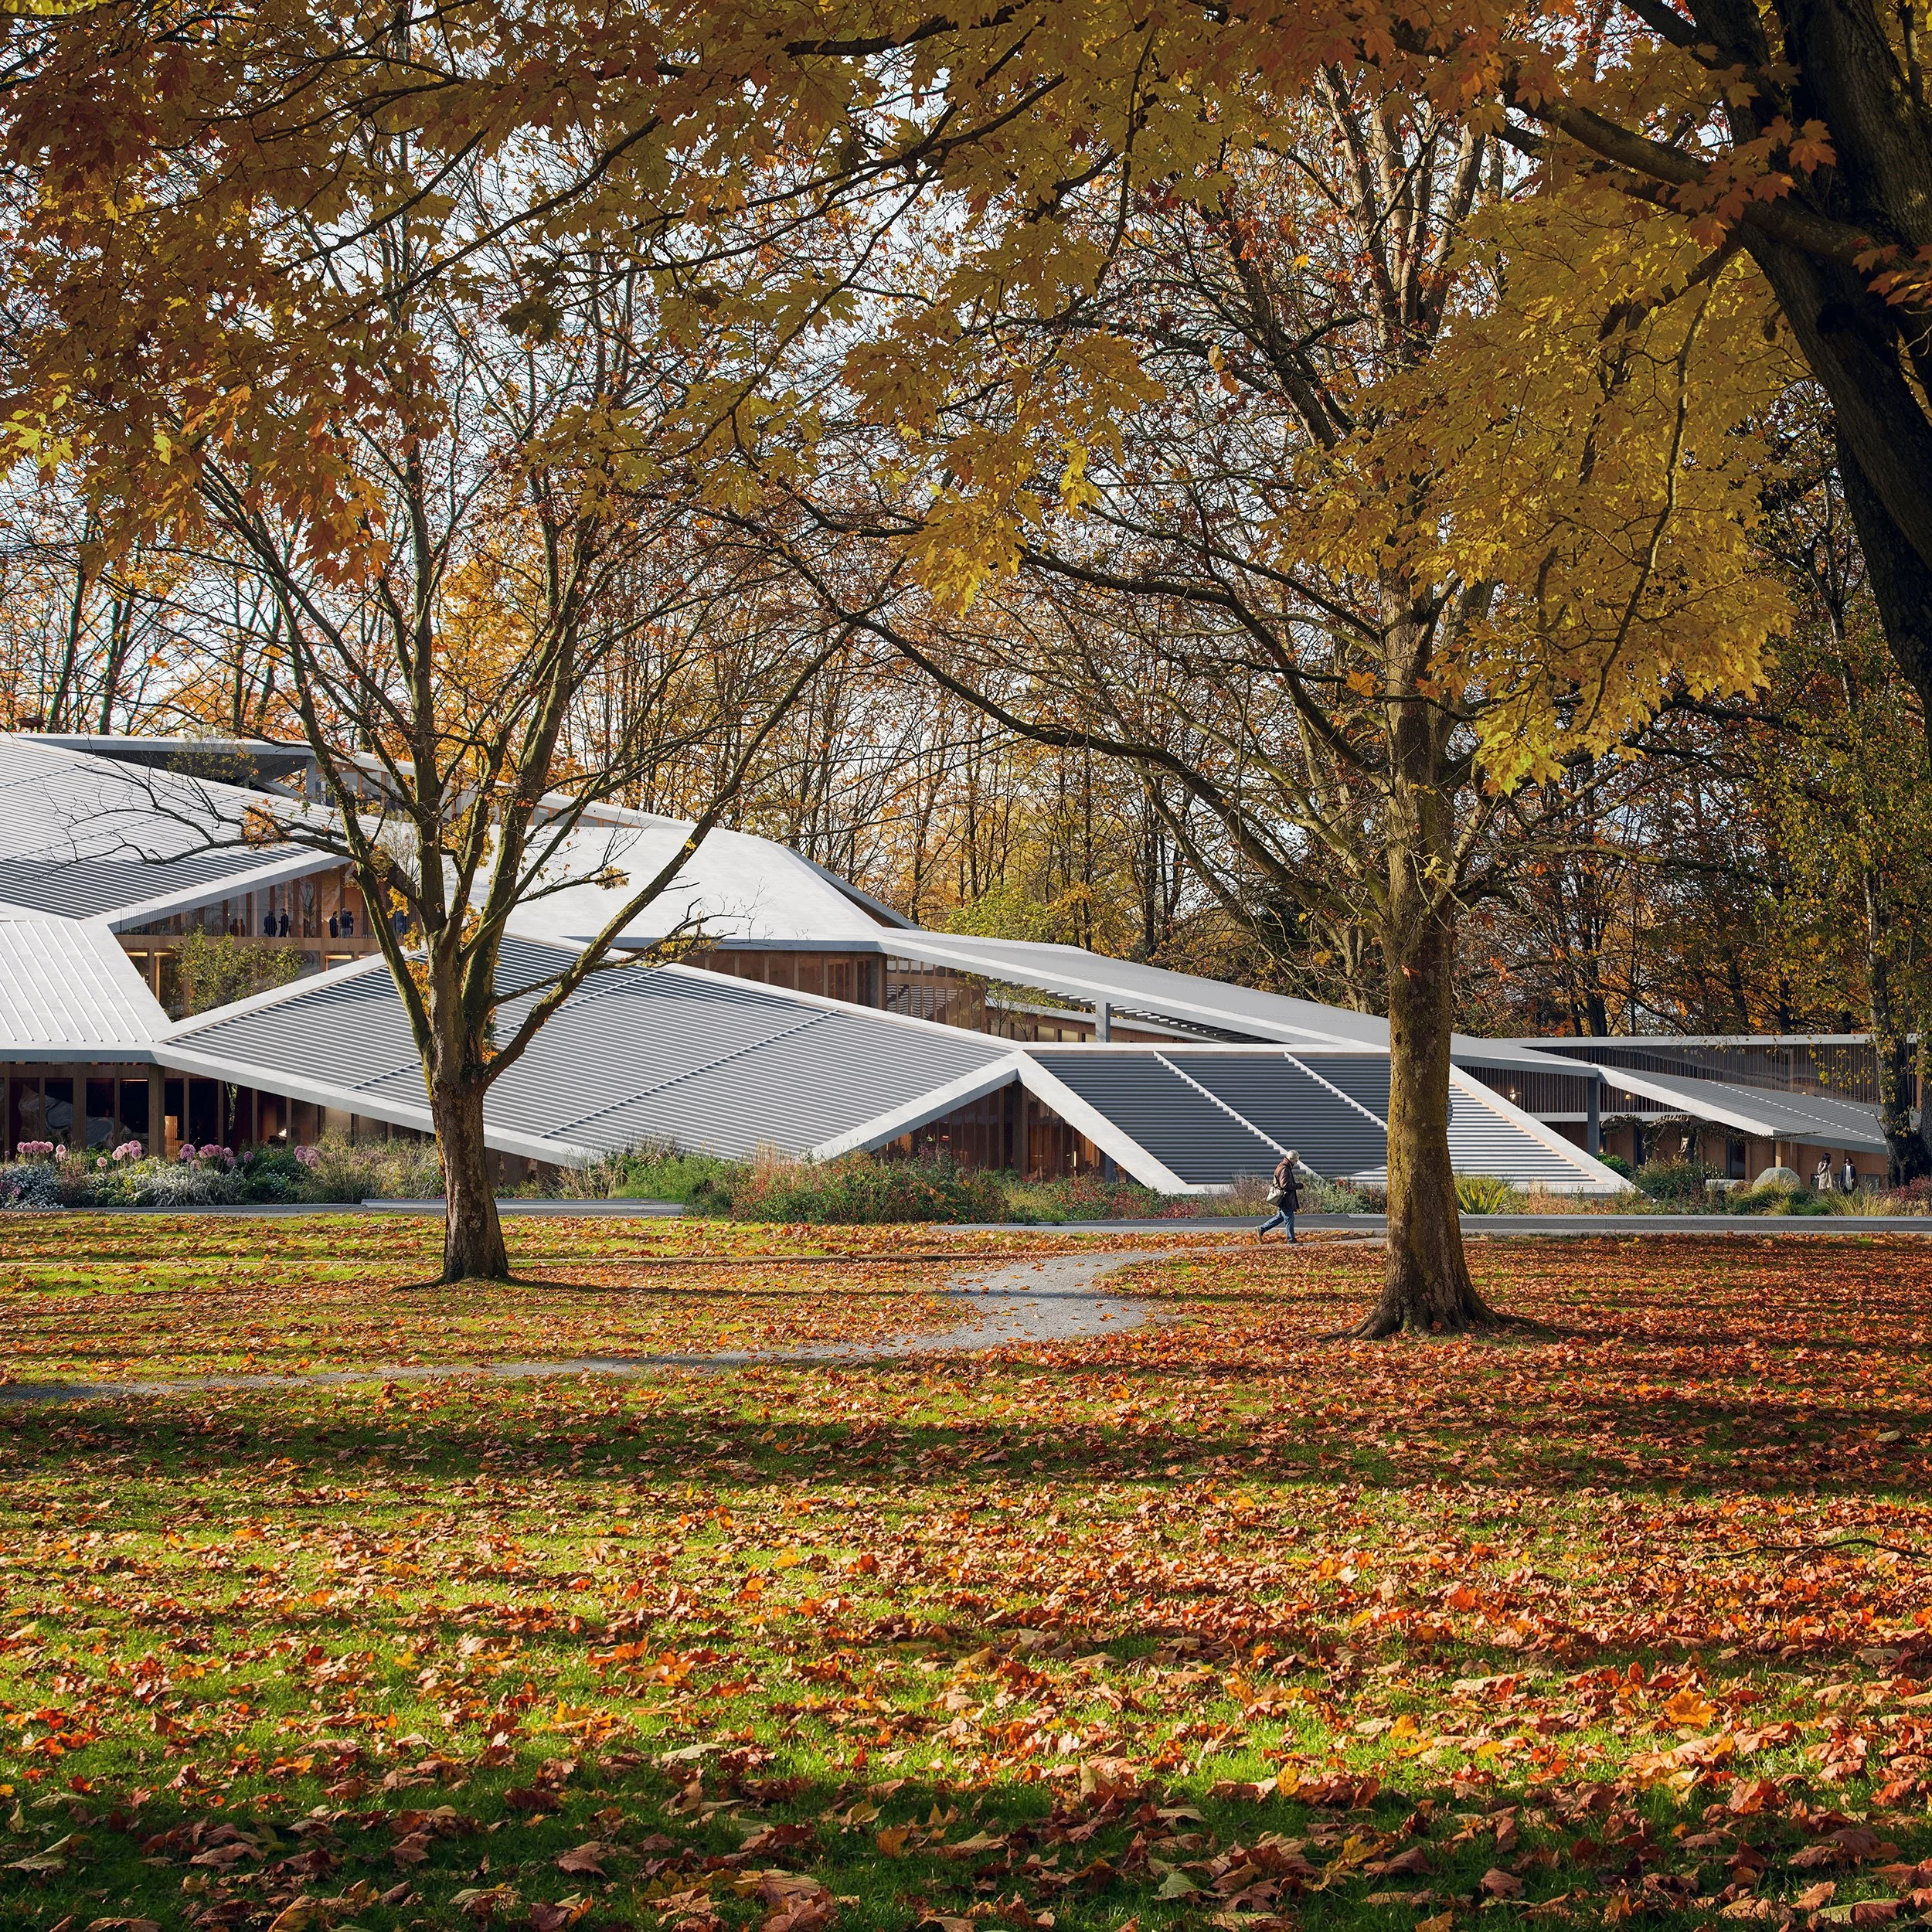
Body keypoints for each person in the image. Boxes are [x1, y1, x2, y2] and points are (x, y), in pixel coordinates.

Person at [1257, 1150, 1300, 1243]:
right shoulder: (1285, 1169)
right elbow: (1285, 1185)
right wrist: (1298, 1186)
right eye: (1296, 1160)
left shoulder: (1282, 1166)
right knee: (1290, 1218)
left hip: (1283, 1198)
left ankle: (1261, 1229)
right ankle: (1291, 1239)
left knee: (1281, 1217)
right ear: (1291, 1159)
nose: (1296, 1163)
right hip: (1285, 1198)